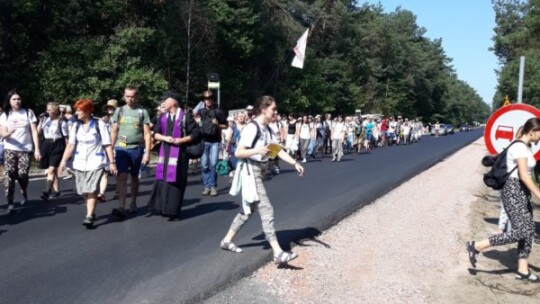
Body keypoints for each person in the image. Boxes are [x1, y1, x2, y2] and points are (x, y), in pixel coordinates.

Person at [220, 95, 305, 265]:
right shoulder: (252, 128)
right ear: (264, 109)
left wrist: (294, 163)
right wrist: (256, 150)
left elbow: (278, 150)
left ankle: (226, 241)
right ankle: (278, 252)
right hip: (251, 172)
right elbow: (238, 152)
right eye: (273, 109)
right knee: (266, 209)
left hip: (260, 172)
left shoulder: (268, 128)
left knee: (248, 211)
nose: (276, 112)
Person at [467, 117, 540, 281]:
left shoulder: (526, 147)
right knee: (522, 231)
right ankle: (477, 246)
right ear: (533, 131)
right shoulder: (520, 148)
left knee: (528, 232)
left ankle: (523, 270)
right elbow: (523, 175)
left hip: (521, 191)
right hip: (513, 189)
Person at [59, 98, 117, 228]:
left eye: (80, 110)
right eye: (77, 110)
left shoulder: (99, 124)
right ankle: (91, 212)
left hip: (96, 162)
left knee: (91, 190)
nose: (77, 113)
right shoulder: (76, 125)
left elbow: (107, 144)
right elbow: (70, 145)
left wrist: (111, 162)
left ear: (88, 111)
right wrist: (63, 161)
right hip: (79, 163)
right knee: (84, 191)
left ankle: (89, 215)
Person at [146, 91, 200, 220]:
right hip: (165, 152)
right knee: (163, 180)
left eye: (166, 100)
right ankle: (162, 207)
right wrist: (165, 138)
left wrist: (181, 140)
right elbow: (155, 133)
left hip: (180, 155)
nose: (163, 102)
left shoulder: (185, 117)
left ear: (174, 102)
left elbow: (196, 134)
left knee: (176, 181)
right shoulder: (163, 117)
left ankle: (173, 210)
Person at [110, 86, 151, 219]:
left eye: (132, 96)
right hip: (121, 148)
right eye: (127, 96)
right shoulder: (119, 111)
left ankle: (133, 202)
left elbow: (147, 134)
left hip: (136, 148)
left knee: (134, 177)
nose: (130, 99)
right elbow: (114, 131)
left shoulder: (142, 112)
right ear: (124, 96)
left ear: (136, 96)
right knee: (121, 176)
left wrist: (147, 153)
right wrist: (110, 148)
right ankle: (122, 206)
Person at [0, 90, 41, 213]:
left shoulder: (28, 113)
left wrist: (37, 149)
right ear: (9, 101)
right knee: (9, 175)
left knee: (22, 174)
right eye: (14, 99)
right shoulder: (4, 115)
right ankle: (10, 203)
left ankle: (23, 190)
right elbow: (4, 135)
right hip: (10, 149)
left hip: (25, 148)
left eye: (19, 99)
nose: (17, 101)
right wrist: (9, 133)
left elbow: (34, 131)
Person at [37, 101, 68, 200]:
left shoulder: (61, 121)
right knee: (52, 170)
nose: (47, 111)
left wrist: (67, 152)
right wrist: (41, 121)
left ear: (55, 110)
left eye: (50, 109)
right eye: (47, 109)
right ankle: (56, 190)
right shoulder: (46, 120)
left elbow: (66, 137)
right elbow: (38, 132)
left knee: (51, 169)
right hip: (46, 144)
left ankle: (47, 191)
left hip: (57, 145)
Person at [198, 90, 227, 197]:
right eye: (206, 99)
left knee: (213, 164)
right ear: (204, 101)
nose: (208, 100)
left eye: (210, 98)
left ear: (213, 100)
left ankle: (213, 186)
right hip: (203, 141)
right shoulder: (200, 112)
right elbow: (195, 122)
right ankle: (207, 186)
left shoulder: (219, 111)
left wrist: (218, 125)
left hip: (215, 141)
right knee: (204, 165)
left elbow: (226, 125)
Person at [97, 99, 118, 202]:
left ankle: (119, 190)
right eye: (108, 108)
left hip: (118, 146)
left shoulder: (119, 119)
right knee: (104, 171)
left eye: (111, 107)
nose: (109, 109)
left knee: (117, 171)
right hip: (106, 147)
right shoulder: (104, 119)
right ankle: (102, 193)